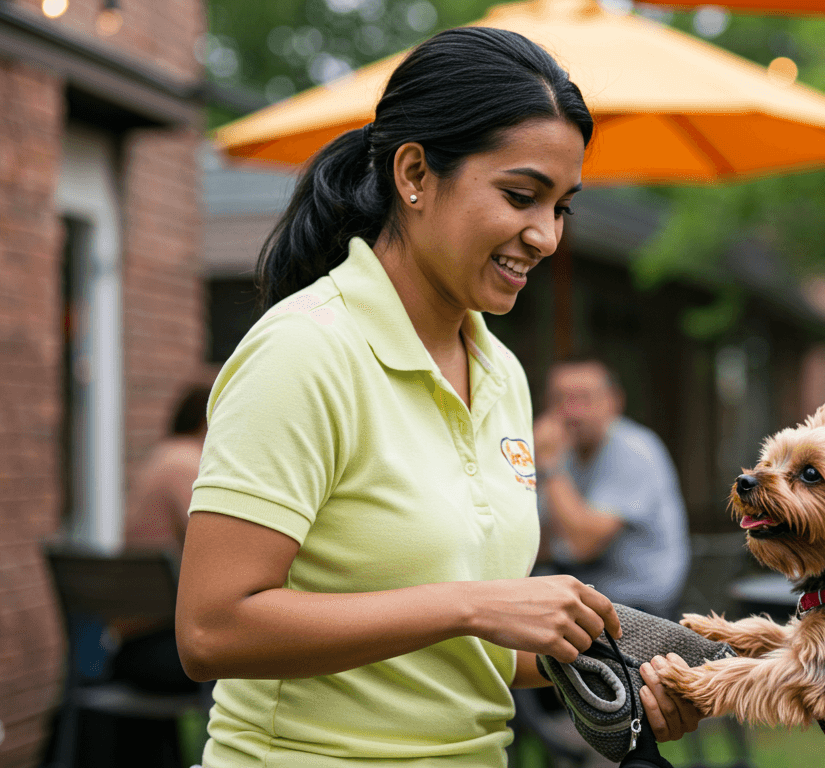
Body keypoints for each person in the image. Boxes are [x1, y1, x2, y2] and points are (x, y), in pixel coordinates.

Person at [174, 28, 699, 767]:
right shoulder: (304, 351)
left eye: (562, 208)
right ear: (415, 174)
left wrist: (613, 670)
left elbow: (462, 651)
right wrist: (474, 601)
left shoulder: (502, 373)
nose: (546, 236)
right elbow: (211, 630)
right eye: (521, 196)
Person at [533, 359, 690, 618]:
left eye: (585, 399)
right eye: (560, 400)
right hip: (583, 598)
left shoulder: (635, 449)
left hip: (640, 609)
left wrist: (550, 467)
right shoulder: (561, 451)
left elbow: (582, 544)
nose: (572, 412)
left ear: (614, 401)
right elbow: (536, 541)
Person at [124, 383, 209, 551]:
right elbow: (208, 536)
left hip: (142, 570)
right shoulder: (185, 461)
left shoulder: (164, 453)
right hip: (163, 573)